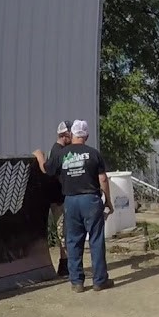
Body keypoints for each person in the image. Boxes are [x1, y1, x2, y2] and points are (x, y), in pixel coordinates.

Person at [36, 119, 114, 292]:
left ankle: (77, 282)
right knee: (96, 240)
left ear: (72, 135)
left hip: (70, 201)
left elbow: (47, 170)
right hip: (90, 200)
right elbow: (102, 179)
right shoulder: (94, 154)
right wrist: (108, 201)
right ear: (86, 135)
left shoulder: (62, 154)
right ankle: (99, 280)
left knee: (73, 241)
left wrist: (39, 156)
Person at [37, 120, 74, 276]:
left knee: (64, 230)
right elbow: (48, 169)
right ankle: (66, 265)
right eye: (71, 134)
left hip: (61, 197)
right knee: (63, 230)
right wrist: (39, 156)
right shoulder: (59, 151)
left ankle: (65, 264)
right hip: (59, 198)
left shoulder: (61, 150)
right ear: (65, 135)